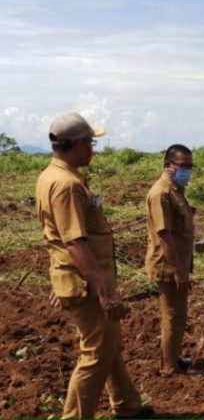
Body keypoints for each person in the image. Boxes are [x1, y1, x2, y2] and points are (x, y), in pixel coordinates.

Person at [35, 113, 152, 418]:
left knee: (108, 345)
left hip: (77, 277)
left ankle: (128, 406)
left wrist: (62, 276)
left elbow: (56, 238)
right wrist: (106, 292)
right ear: (75, 145)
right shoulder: (66, 185)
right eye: (90, 142)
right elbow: (74, 241)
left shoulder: (51, 176)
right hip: (87, 284)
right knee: (96, 353)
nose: (93, 148)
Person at [145, 144, 195, 375]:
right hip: (168, 266)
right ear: (168, 165)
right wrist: (178, 271)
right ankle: (168, 367)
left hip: (177, 262)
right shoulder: (161, 194)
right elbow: (164, 234)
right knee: (173, 316)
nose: (187, 170)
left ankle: (173, 358)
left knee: (177, 314)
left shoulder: (174, 190)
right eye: (182, 166)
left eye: (189, 166)